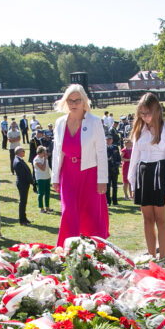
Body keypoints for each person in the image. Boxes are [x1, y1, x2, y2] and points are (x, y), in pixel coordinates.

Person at [51, 84, 109, 246]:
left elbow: (101, 152)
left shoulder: (94, 122)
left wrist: (102, 179)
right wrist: (55, 177)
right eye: (70, 100)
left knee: (90, 215)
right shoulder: (60, 123)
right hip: (68, 173)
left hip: (90, 173)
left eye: (77, 100)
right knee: (68, 212)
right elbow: (57, 152)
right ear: (65, 102)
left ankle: (94, 250)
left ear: (84, 101)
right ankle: (67, 250)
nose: (74, 104)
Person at [126, 92, 165, 260]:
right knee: (147, 219)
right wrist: (133, 184)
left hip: (160, 174)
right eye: (141, 113)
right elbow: (134, 157)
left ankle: (163, 258)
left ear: (156, 110)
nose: (144, 116)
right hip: (143, 175)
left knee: (161, 219)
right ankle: (151, 257)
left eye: (147, 113)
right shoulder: (139, 130)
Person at [13, 146, 34, 226]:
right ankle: (22, 220)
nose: (24, 152)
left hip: (24, 183)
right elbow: (23, 175)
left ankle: (24, 218)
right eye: (23, 151)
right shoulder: (18, 162)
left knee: (24, 202)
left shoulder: (19, 160)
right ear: (19, 152)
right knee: (23, 202)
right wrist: (32, 181)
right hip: (23, 184)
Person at [33, 147, 52, 214]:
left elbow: (47, 168)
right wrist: (44, 160)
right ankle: (41, 208)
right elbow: (43, 168)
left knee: (47, 193)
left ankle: (47, 207)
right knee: (41, 193)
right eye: (44, 152)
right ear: (40, 153)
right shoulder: (36, 160)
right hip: (40, 178)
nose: (45, 153)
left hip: (46, 177)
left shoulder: (45, 158)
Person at [105, 136, 121, 206]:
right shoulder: (103, 147)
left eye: (110, 139)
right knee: (107, 186)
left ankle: (115, 201)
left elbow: (118, 158)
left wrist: (116, 165)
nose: (109, 140)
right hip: (107, 170)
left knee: (115, 186)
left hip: (114, 170)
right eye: (107, 139)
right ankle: (108, 201)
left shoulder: (115, 147)